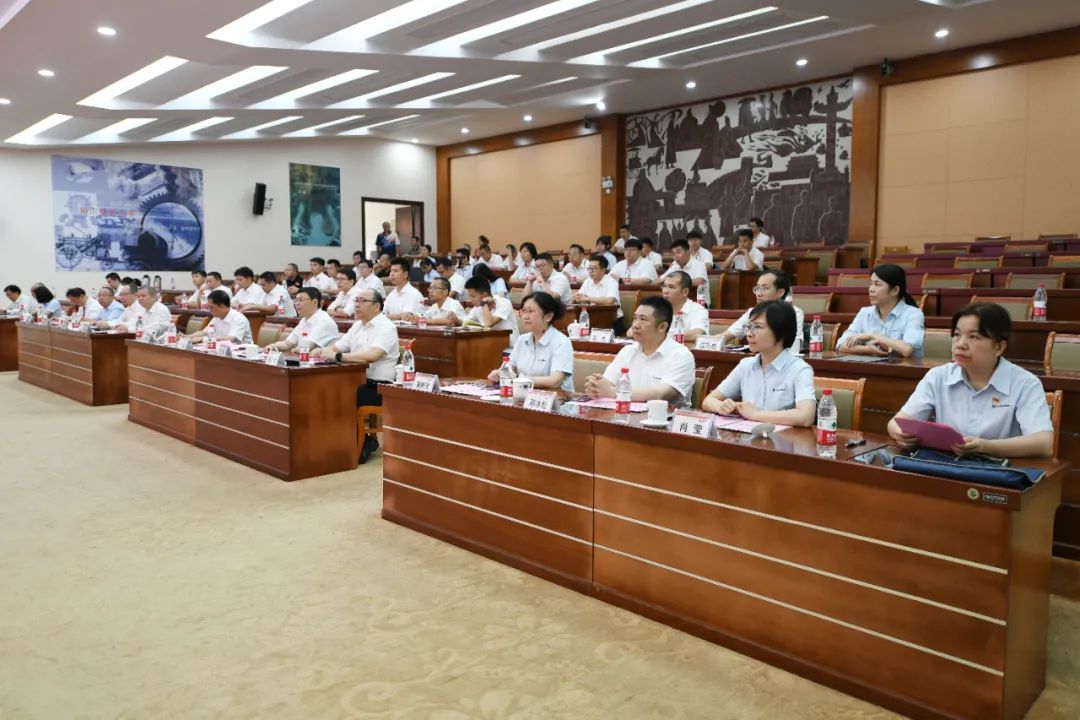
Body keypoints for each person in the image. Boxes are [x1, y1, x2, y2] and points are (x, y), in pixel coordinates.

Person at [888, 303, 1054, 458]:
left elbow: (1044, 443)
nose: (960, 344)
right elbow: (896, 423)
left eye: (973, 337)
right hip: (945, 466)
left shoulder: (1025, 383)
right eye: (957, 335)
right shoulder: (938, 376)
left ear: (999, 347)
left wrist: (985, 446)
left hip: (997, 469)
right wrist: (901, 434)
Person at [314, 288, 399, 463]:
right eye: (356, 301)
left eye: (362, 301)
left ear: (377, 306)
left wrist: (339, 357)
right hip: (358, 381)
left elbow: (372, 356)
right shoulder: (357, 326)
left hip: (379, 387)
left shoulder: (386, 327)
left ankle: (361, 442)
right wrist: (321, 351)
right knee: (323, 390)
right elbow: (337, 347)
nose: (357, 305)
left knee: (342, 395)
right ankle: (338, 441)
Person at [702, 302, 816, 426]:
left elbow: (806, 416)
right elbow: (708, 401)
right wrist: (722, 406)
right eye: (748, 327)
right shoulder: (746, 365)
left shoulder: (799, 369)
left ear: (781, 331)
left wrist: (755, 414)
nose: (749, 334)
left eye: (757, 327)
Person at [585, 296, 695, 407]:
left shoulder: (681, 355)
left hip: (666, 416)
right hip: (626, 413)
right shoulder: (628, 351)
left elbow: (661, 394)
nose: (635, 325)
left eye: (643, 319)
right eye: (635, 318)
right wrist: (596, 387)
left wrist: (613, 392)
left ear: (662, 327)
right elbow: (608, 382)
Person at [488, 292, 574, 391]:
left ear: (548, 316)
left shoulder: (562, 342)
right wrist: (499, 374)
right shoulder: (522, 339)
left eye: (531, 311)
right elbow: (510, 369)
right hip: (524, 393)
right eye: (524, 311)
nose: (525, 316)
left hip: (557, 397)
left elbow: (555, 381)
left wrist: (519, 379)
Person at [837, 264, 925, 359]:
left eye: (877, 284)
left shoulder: (913, 314)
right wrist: (868, 349)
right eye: (870, 284)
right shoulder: (864, 313)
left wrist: (872, 335)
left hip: (903, 367)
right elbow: (840, 345)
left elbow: (907, 349)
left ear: (895, 290)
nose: (871, 289)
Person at [721, 269, 804, 353]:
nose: (758, 294)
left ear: (780, 292)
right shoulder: (752, 312)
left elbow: (793, 348)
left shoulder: (794, 313)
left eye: (764, 288)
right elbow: (724, 336)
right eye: (757, 288)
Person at [268, 288, 339, 351]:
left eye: (301, 300)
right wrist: (273, 345)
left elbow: (307, 347)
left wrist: (294, 350)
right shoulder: (304, 320)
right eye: (296, 300)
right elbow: (287, 344)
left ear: (315, 302)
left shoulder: (324, 321)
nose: (297, 304)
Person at [574, 254, 624, 332]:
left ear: (603, 270)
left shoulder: (612, 282)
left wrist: (587, 299)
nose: (591, 271)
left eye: (594, 268)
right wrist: (579, 298)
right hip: (592, 318)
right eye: (589, 268)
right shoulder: (587, 282)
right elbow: (580, 299)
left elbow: (609, 301)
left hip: (612, 320)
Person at [464, 277, 518, 344]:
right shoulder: (477, 307)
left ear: (484, 295)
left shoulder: (504, 303)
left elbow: (488, 323)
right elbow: (465, 323)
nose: (470, 300)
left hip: (509, 347)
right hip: (490, 345)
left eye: (473, 296)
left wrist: (484, 303)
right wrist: (456, 320)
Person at [185, 290, 253, 343]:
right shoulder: (217, 317)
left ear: (222, 306)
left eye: (211, 307)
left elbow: (232, 339)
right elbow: (204, 333)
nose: (209, 310)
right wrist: (187, 337)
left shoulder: (238, 318)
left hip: (242, 353)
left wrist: (205, 339)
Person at [661, 271, 709, 343]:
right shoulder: (656, 308)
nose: (665, 291)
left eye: (671, 287)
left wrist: (661, 336)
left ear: (685, 292)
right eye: (664, 286)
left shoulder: (699, 310)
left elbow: (698, 333)